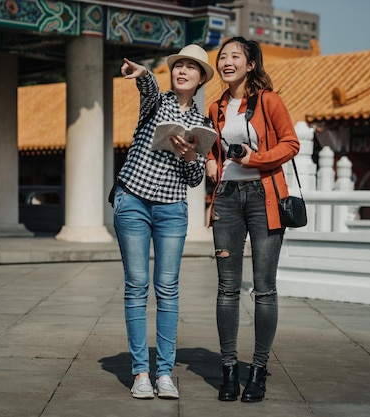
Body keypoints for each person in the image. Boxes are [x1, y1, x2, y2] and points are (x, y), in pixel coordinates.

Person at [112, 44, 214, 400]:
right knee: (137, 285)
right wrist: (144, 76)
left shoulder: (204, 124)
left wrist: (188, 156)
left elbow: (194, 178)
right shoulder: (158, 102)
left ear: (201, 79)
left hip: (172, 208)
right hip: (134, 199)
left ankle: (165, 372)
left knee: (167, 289)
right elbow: (149, 89)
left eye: (191, 67)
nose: (183, 71)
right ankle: (141, 372)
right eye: (179, 65)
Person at [206, 37, 300, 403]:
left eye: (235, 56)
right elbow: (212, 150)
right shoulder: (215, 107)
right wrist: (211, 161)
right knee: (226, 289)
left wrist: (253, 159)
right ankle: (229, 369)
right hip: (226, 200)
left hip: (265, 197)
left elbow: (291, 144)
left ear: (250, 64)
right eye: (223, 57)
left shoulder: (268, 101)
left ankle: (257, 370)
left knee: (264, 288)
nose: (227, 62)